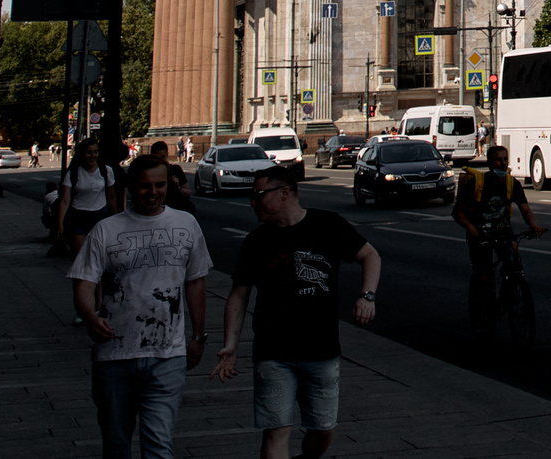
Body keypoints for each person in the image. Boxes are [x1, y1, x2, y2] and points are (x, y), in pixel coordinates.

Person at [212, 166, 380, 459]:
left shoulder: (328, 225)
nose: (253, 202)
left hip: (322, 350)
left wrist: (367, 296)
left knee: (323, 429)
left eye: (258, 195)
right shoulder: (256, 241)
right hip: (273, 352)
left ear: (285, 193)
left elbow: (370, 256)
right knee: (277, 429)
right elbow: (238, 296)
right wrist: (230, 346)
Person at [71, 154, 211, 459]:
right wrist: (90, 316)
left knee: (159, 445)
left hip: (167, 355)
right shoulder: (106, 230)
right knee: (117, 444)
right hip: (114, 355)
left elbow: (195, 282)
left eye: (160, 185)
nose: (153, 192)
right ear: (131, 187)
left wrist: (199, 336)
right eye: (145, 186)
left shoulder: (186, 225)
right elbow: (83, 282)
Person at [452, 144, 544, 318]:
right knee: (484, 276)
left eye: (505, 159)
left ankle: (511, 287)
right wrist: (470, 228)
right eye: (498, 160)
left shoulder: (512, 183)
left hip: (502, 230)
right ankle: (482, 313)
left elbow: (525, 209)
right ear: (489, 163)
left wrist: (532, 224)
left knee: (513, 253)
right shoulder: (476, 184)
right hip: (480, 231)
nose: (503, 164)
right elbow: (457, 212)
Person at [57, 139, 123, 261]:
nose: (93, 156)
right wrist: (60, 223)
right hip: (78, 217)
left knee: (98, 259)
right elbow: (65, 200)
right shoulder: (73, 173)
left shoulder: (105, 171)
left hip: (100, 216)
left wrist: (116, 217)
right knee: (80, 259)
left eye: (95, 152)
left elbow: (111, 196)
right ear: (82, 153)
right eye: (89, 152)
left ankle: (97, 280)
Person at [148, 140, 197, 214]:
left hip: (176, 208)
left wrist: (178, 187)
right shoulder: (148, 173)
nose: (160, 160)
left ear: (167, 155)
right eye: (157, 158)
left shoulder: (175, 170)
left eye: (163, 157)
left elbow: (188, 192)